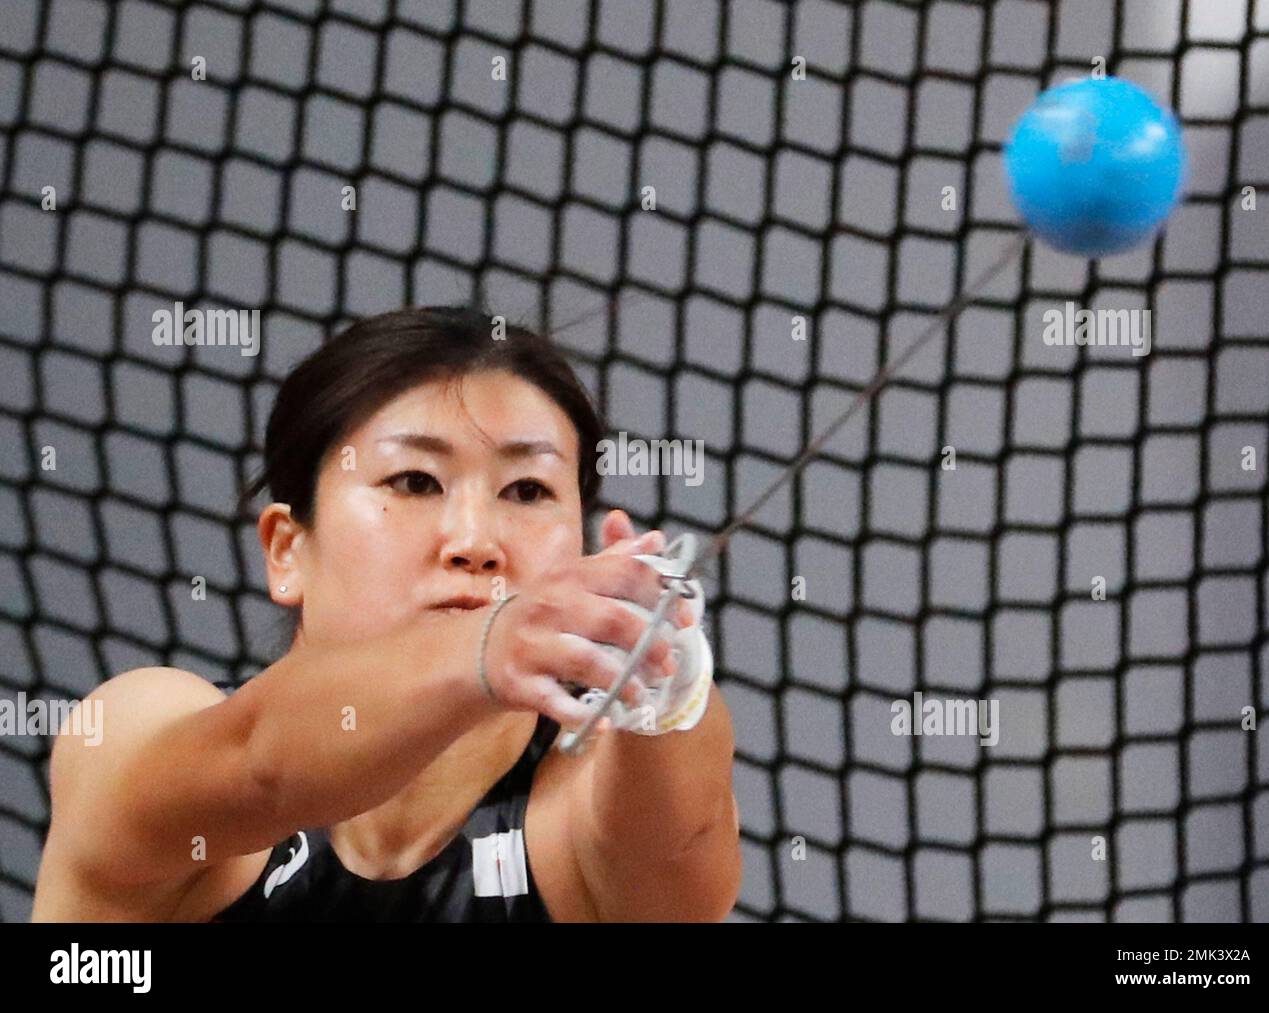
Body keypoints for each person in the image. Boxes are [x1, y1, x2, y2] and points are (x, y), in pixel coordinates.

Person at [32, 307, 741, 922]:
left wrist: (665, 685)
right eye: (414, 481)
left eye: (527, 490)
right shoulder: (133, 737)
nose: (474, 542)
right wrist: (486, 645)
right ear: (287, 549)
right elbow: (263, 763)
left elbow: (673, 867)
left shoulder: (580, 818)